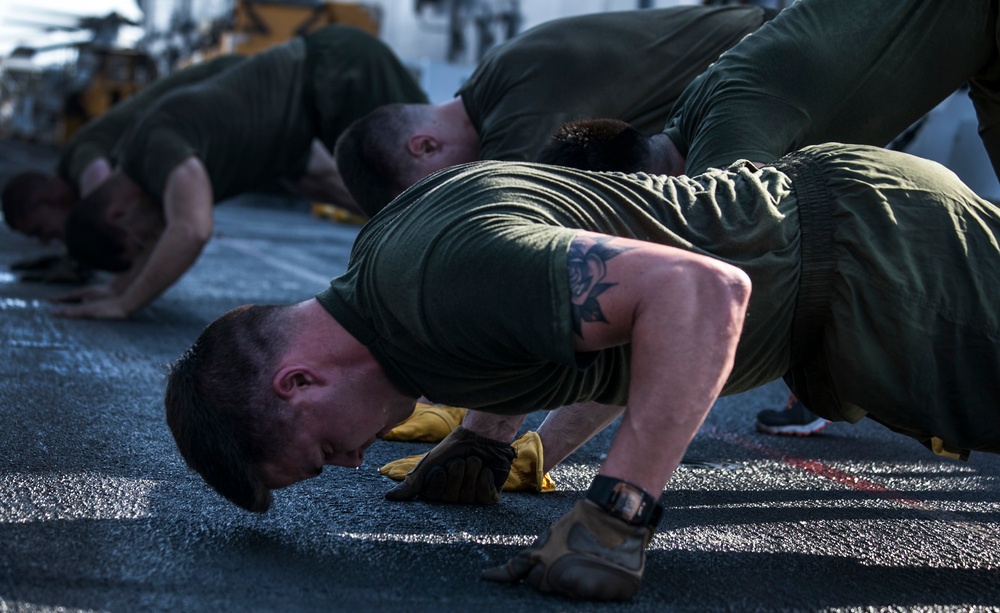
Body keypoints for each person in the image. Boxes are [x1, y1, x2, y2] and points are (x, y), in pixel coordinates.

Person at [165, 141, 1000, 600]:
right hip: (857, 261)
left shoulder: (438, 282)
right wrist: (490, 438)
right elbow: (611, 333)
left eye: (321, 454)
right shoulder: (393, 289)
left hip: (880, 266)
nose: (351, 462)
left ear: (298, 382)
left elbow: (699, 293)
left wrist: (618, 508)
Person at [532, 0, 1000, 436]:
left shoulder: (724, 153)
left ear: (627, 197)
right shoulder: (697, 114)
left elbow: (684, 325)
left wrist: (540, 449)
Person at [55, 25, 426, 319]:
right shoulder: (143, 164)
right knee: (408, 206)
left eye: (138, 242)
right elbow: (166, 232)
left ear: (118, 212)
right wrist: (117, 288)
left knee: (442, 185)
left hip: (340, 70)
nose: (149, 240)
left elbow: (191, 229)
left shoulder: (154, 147)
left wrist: (125, 304)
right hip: (316, 110)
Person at [332, 4, 777, 216]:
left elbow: (505, 230)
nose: (449, 193)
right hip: (764, 81)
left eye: (436, 189)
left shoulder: (515, 118)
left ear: (424, 145)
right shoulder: (499, 82)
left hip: (776, 67)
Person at [0, 55, 245, 282]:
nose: (44, 240)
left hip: (230, 81)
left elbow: (102, 201)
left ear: (45, 199)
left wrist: (78, 260)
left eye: (39, 230)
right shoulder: (76, 159)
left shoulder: (79, 155)